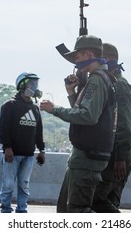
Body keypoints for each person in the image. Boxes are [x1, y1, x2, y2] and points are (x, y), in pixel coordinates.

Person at [40, 35, 117, 213]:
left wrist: (55, 109)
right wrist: (71, 92)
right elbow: (84, 113)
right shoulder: (103, 79)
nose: (75, 61)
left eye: (77, 56)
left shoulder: (97, 80)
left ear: (88, 54)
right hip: (87, 155)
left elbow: (88, 117)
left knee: (77, 210)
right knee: (65, 209)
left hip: (87, 157)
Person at [92, 43, 131, 213]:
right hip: (115, 155)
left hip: (118, 157)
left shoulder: (119, 86)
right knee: (108, 202)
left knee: (96, 200)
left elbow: (124, 124)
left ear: (109, 60)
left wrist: (120, 158)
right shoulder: (110, 83)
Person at [0, 72, 45, 213]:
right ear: (22, 85)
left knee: (24, 184)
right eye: (32, 83)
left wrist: (42, 150)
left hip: (29, 155)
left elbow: (39, 131)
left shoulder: (35, 108)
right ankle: (5, 209)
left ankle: (22, 210)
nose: (35, 86)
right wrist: (7, 147)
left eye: (36, 83)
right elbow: (3, 128)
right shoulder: (9, 105)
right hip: (12, 153)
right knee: (8, 184)